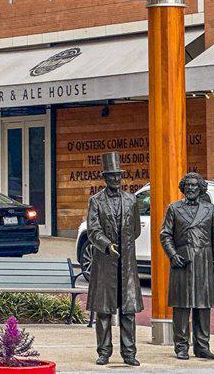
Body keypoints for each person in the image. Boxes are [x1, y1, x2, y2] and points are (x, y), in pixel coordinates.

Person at [85, 151, 141, 366]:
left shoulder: (131, 200)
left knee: (128, 311)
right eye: (111, 176)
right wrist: (107, 245)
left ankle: (129, 353)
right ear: (105, 178)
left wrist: (124, 246)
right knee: (104, 311)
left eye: (118, 175)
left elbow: (135, 229)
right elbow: (93, 230)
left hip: (126, 263)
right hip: (105, 262)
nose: (116, 179)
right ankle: (104, 352)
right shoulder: (96, 201)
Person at [159, 172, 214, 360]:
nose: (191, 188)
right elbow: (165, 234)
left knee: (203, 306)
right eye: (187, 185)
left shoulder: (210, 209)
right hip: (183, 261)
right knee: (181, 306)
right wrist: (173, 255)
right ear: (183, 188)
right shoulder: (174, 208)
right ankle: (181, 346)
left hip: (204, 261)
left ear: (201, 188)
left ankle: (202, 346)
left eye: (194, 185)